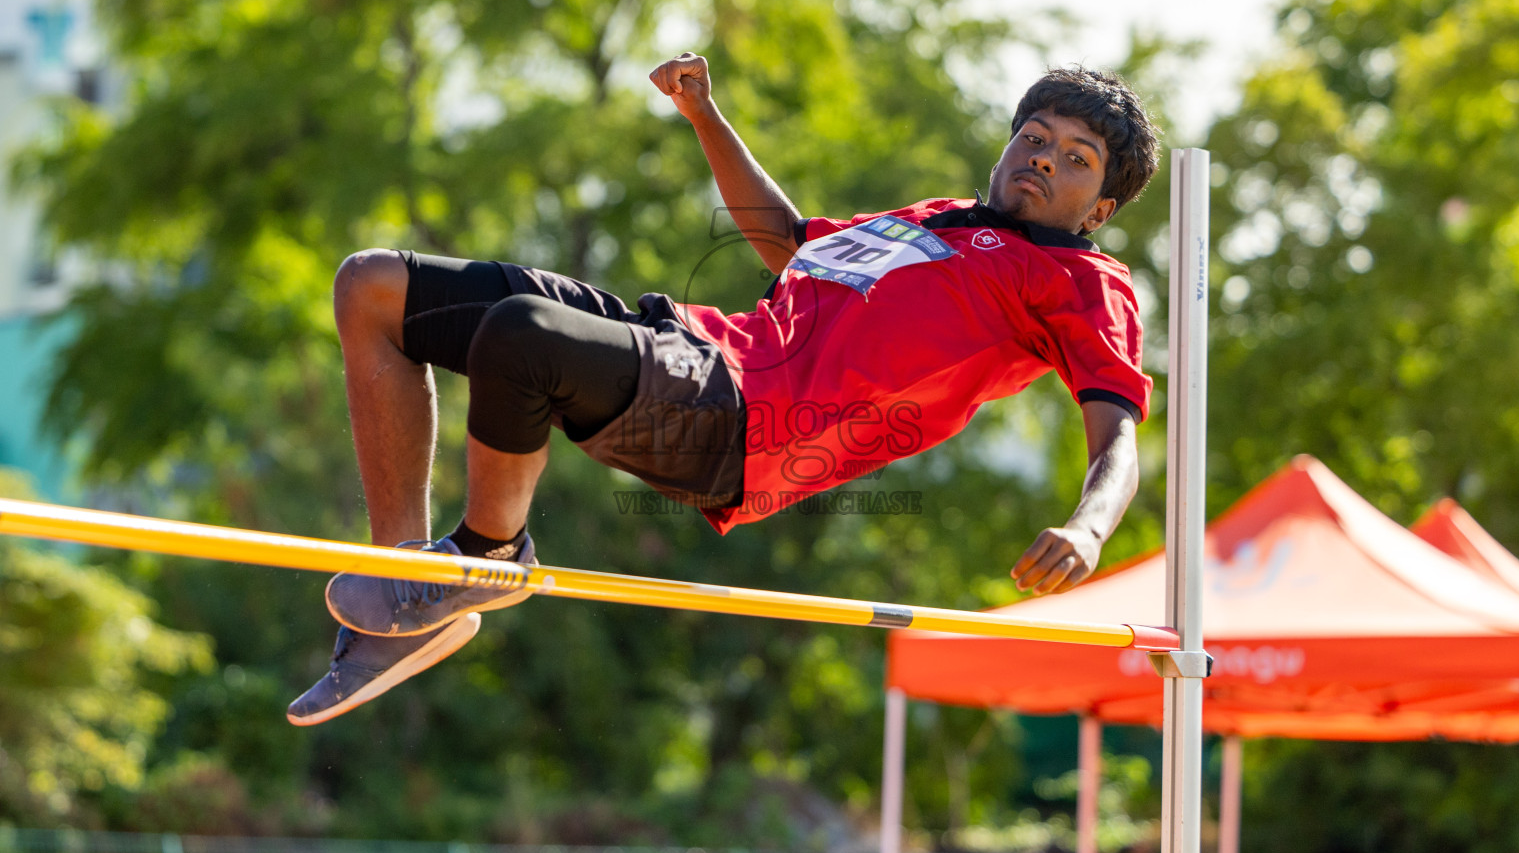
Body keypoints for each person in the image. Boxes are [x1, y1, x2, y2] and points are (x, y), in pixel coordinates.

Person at [286, 52, 1159, 726]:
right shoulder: (934, 222)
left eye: (1075, 160)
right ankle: (405, 594)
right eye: (1033, 138)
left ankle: (484, 560)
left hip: (750, 427)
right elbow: (788, 240)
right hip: (700, 345)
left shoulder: (1083, 281)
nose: (1043, 161)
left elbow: (1117, 429)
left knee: (522, 337)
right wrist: (704, 113)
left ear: (1099, 209)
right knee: (373, 287)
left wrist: (1088, 526)